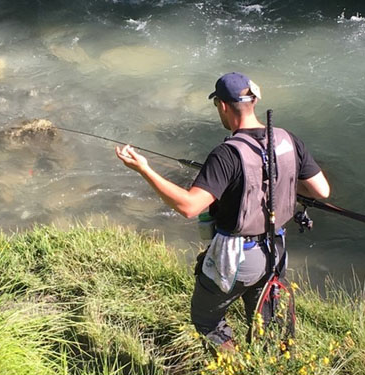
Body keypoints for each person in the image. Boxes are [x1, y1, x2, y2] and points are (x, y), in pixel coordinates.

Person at [115, 72, 330, 351]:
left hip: (237, 258)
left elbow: (189, 206)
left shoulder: (226, 154)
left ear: (223, 106)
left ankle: (235, 363)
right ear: (252, 102)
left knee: (206, 321)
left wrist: (145, 170)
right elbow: (321, 190)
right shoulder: (289, 140)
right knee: (267, 327)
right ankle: (265, 365)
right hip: (276, 252)